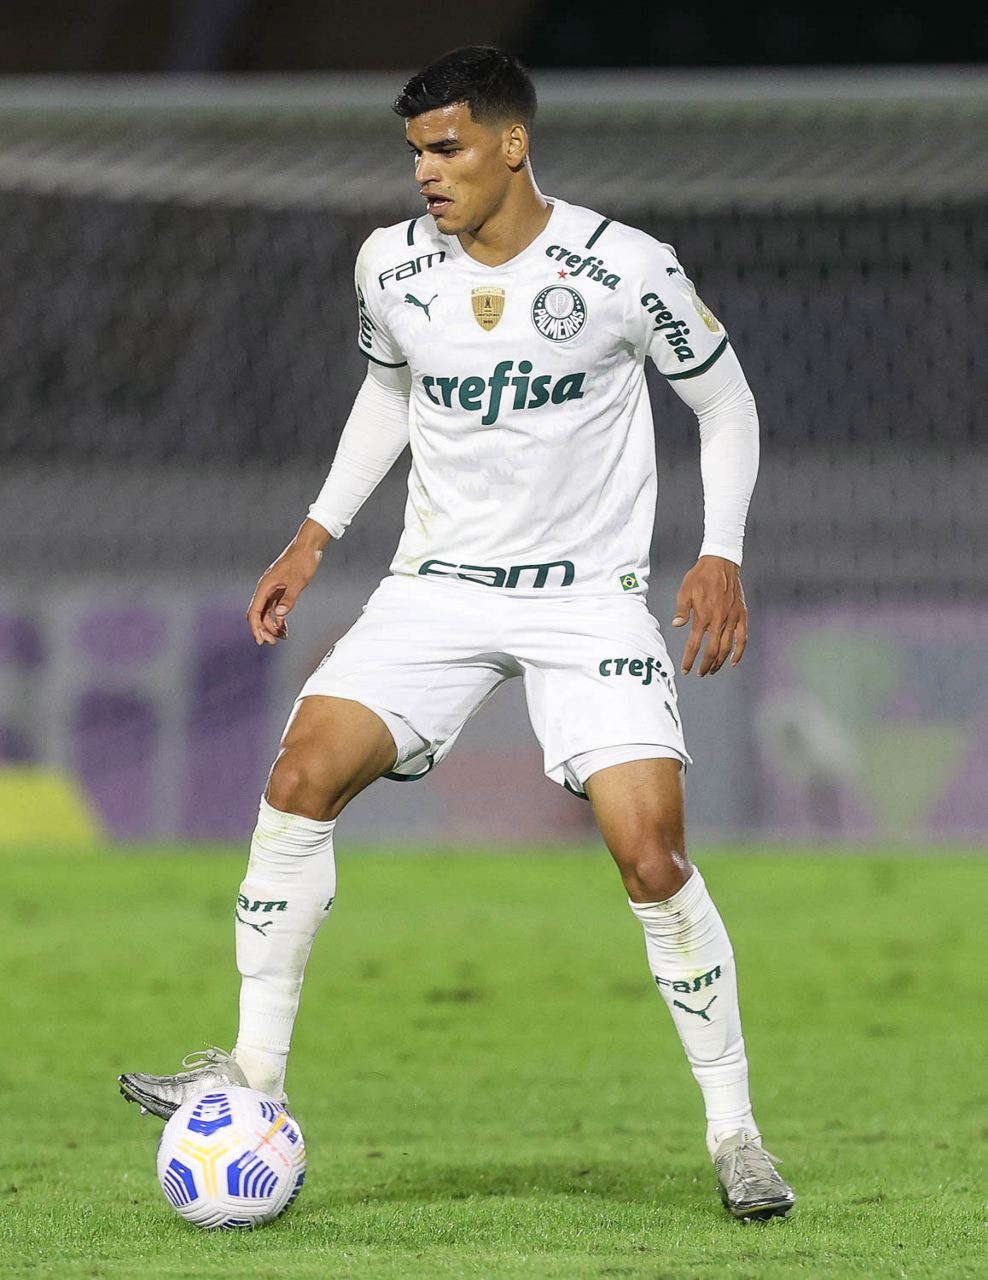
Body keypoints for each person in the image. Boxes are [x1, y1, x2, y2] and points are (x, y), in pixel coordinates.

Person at [119, 46, 794, 1221]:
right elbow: (390, 390)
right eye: (415, 152)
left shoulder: (623, 266)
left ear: (511, 144)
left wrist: (720, 548)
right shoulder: (389, 266)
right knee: (300, 776)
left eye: (447, 147)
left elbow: (723, 398)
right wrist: (315, 533)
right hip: (434, 588)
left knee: (650, 855)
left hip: (585, 598)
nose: (426, 171)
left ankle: (735, 1132)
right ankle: (252, 1075)